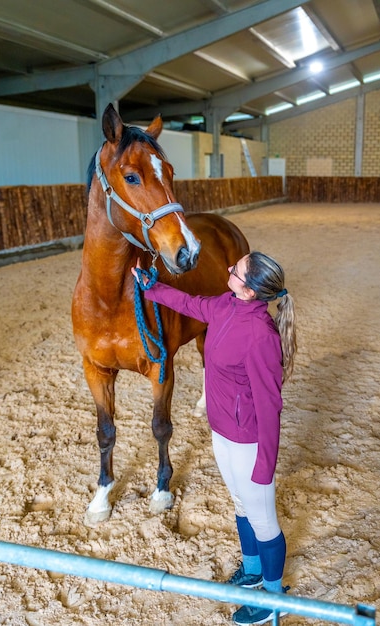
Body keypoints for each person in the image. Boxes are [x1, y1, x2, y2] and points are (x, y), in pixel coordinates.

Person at [132, 251, 297, 626]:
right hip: (222, 431)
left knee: (264, 520)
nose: (228, 269)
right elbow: (189, 302)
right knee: (240, 505)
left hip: (249, 441)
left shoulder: (261, 336)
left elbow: (270, 407)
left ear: (251, 291)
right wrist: (151, 287)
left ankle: (274, 597)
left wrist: (264, 465)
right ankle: (253, 570)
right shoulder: (225, 303)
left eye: (235, 270)